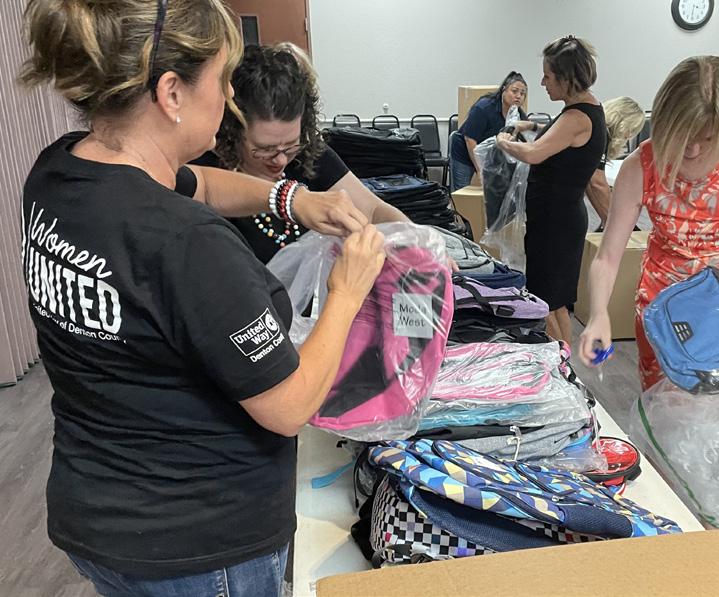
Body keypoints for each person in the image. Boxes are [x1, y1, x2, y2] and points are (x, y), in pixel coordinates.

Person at [19, 1, 386, 595]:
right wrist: (347, 291)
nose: (229, 98)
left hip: (98, 517)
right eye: (222, 80)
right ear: (171, 92)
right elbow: (289, 406)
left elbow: (201, 184)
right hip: (201, 545)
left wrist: (291, 199)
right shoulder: (188, 243)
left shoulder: (59, 172)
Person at [578, 56, 719, 391]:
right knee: (665, 403)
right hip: (665, 312)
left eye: (707, 138)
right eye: (681, 136)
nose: (692, 149)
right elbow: (607, 257)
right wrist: (598, 314)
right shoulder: (642, 165)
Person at [194, 43, 409, 264]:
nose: (280, 159)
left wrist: (414, 243)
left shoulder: (308, 155)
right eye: (265, 149)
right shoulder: (205, 169)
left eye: (290, 145)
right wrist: (292, 199)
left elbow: (373, 210)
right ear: (232, 131)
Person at [497, 36, 605, 344]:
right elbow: (555, 137)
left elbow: (534, 153)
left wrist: (504, 142)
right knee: (553, 302)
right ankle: (563, 360)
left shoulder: (577, 117)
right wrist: (528, 127)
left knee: (547, 302)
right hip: (556, 220)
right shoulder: (582, 109)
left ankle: (560, 362)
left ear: (567, 78)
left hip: (556, 224)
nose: (543, 83)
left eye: (548, 76)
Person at [449, 71, 528, 191]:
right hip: (465, 151)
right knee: (462, 192)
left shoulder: (519, 116)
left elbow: (525, 142)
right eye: (514, 91)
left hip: (489, 155)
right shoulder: (484, 107)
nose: (518, 96)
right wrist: (480, 170)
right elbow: (469, 139)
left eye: (522, 93)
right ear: (504, 90)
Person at [585, 96, 646, 230]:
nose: (628, 136)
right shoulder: (601, 132)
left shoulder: (594, 125)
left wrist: (607, 218)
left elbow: (589, 182)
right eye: (631, 130)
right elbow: (597, 182)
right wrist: (618, 222)